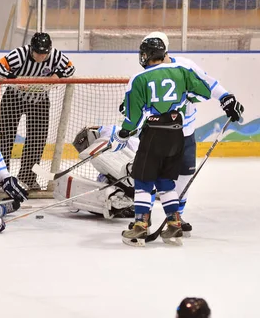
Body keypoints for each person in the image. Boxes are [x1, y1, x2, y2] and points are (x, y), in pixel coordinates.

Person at [123, 32, 244, 237]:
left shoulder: (184, 66)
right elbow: (203, 91)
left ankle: (173, 217)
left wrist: (226, 98)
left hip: (184, 133)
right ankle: (149, 217)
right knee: (158, 177)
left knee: (179, 176)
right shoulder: (165, 71)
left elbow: (209, 83)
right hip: (174, 133)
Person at [110, 36, 220, 247]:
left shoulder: (139, 79)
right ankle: (174, 225)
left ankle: (140, 226)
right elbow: (205, 93)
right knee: (165, 181)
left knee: (142, 180)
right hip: (177, 133)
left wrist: (123, 134)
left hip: (154, 134)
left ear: (147, 55)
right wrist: (184, 98)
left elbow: (132, 119)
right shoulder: (181, 71)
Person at [0, 32, 75, 192]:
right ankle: (3, 177)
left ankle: (28, 176)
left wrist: (58, 75)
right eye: (38, 53)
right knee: (5, 138)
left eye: (44, 54)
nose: (41, 57)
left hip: (39, 100)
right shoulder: (19, 55)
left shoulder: (55, 56)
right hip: (14, 97)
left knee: (37, 140)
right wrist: (14, 78)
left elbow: (70, 68)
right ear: (31, 49)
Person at [53, 125, 138, 219]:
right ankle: (128, 204)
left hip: (136, 179)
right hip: (136, 177)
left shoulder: (109, 133)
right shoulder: (107, 132)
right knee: (105, 183)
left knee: (110, 190)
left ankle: (129, 205)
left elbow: (108, 146)